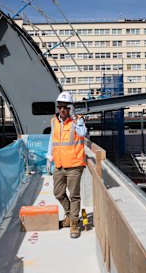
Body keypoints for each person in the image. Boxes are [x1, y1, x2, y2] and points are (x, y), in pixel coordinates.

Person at [46, 91, 87, 238]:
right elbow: (53, 140)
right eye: (60, 107)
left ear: (70, 108)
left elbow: (82, 133)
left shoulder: (78, 120)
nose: (62, 110)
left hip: (75, 164)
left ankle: (74, 223)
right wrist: (48, 157)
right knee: (58, 193)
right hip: (59, 164)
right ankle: (70, 215)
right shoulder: (54, 121)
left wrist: (75, 118)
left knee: (74, 195)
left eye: (65, 107)